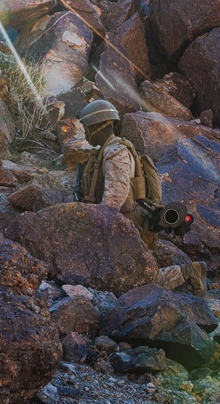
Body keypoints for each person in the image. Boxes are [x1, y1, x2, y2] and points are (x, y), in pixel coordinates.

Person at [77, 99, 207, 297]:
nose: (85, 132)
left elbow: (115, 197)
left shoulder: (115, 152)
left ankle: (189, 273)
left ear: (96, 125)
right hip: (121, 225)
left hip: (124, 227)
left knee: (131, 284)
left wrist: (97, 230)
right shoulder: (107, 151)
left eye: (86, 127)